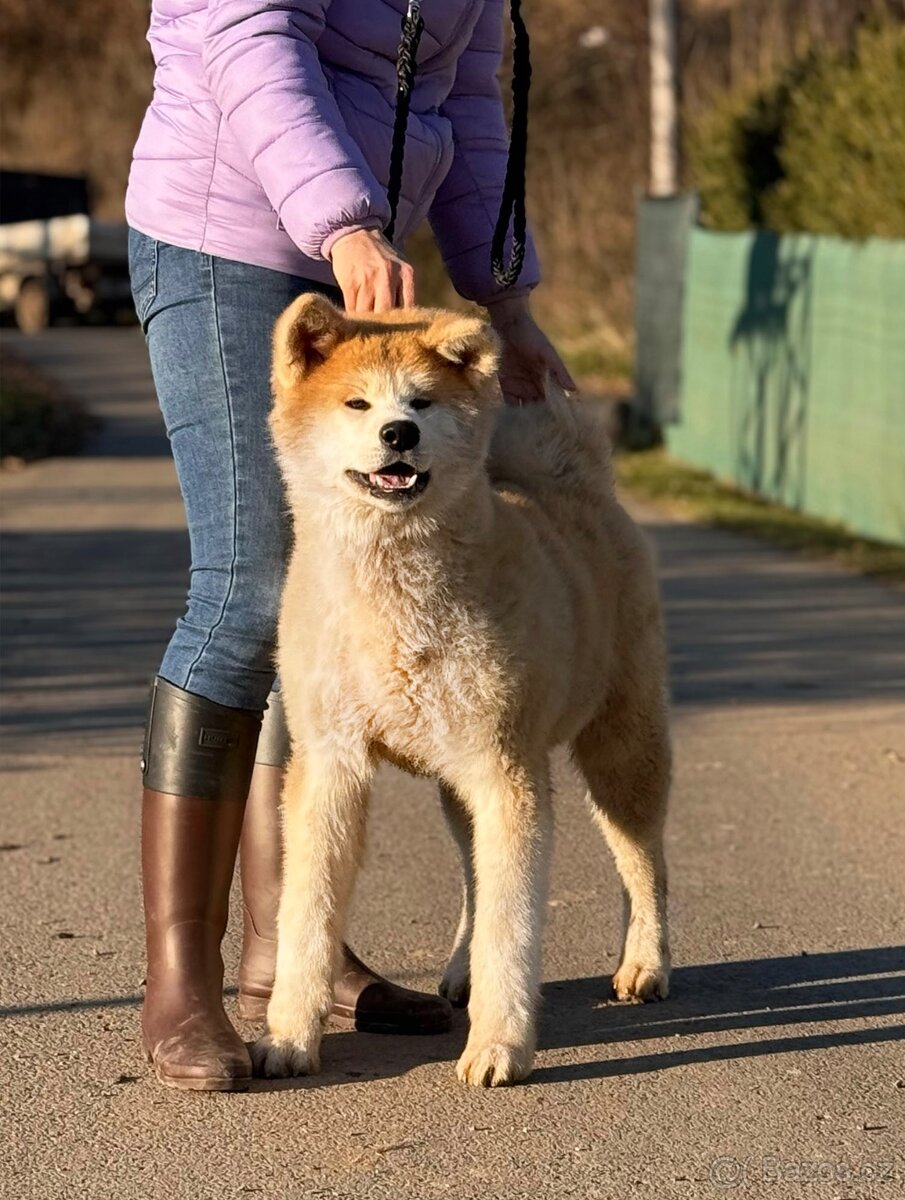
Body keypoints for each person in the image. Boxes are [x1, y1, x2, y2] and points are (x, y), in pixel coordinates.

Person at [126, 0, 575, 1092]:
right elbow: (243, 35)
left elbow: (465, 102)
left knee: (322, 609)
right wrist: (342, 222)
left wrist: (502, 293)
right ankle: (180, 975)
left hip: (354, 239)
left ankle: (294, 957)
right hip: (224, 232)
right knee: (249, 590)